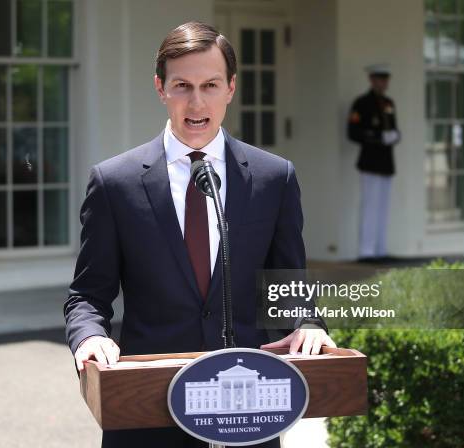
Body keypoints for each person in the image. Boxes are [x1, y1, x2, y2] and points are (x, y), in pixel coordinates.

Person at [64, 21, 335, 448]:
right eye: (182, 85)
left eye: (210, 84)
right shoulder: (114, 183)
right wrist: (91, 336)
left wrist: (308, 322)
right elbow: (87, 295)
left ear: (231, 87)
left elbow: (287, 286)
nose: (196, 101)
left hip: (247, 412)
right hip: (147, 414)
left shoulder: (273, 178)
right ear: (160, 88)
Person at [347, 64, 400, 261]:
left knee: (383, 208)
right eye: (380, 78)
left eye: (386, 79)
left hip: (386, 162)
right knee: (370, 206)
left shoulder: (389, 102)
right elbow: (353, 132)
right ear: (371, 80)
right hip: (370, 161)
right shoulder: (362, 103)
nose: (383, 82)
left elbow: (392, 128)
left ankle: (380, 249)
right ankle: (366, 251)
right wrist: (378, 137)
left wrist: (394, 136)